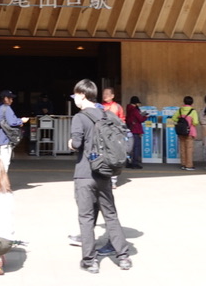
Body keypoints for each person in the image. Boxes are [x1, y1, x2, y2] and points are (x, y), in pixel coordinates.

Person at [69, 78, 132, 273]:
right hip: (104, 173)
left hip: (85, 174)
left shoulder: (80, 117)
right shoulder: (106, 115)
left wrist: (70, 142)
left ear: (81, 95)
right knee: (110, 215)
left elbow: (77, 144)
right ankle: (123, 257)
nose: (74, 100)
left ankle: (90, 260)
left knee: (86, 217)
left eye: (75, 96)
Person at [0, 90, 27, 171]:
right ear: (5, 98)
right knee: (5, 163)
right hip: (5, 139)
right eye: (10, 98)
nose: (12, 100)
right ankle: (1, 182)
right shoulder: (7, 108)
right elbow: (12, 122)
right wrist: (21, 121)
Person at [169, 95, 199, 170]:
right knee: (189, 149)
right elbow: (195, 122)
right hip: (189, 131)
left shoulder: (180, 110)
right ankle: (189, 165)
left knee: (182, 148)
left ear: (184, 102)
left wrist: (179, 122)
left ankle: (183, 164)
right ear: (192, 103)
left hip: (181, 132)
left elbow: (173, 118)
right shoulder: (193, 111)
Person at [125, 96, 146, 169]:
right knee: (136, 147)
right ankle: (135, 163)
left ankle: (128, 162)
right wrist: (146, 116)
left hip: (130, 130)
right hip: (136, 130)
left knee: (130, 147)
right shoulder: (134, 110)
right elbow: (140, 119)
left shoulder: (128, 109)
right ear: (136, 103)